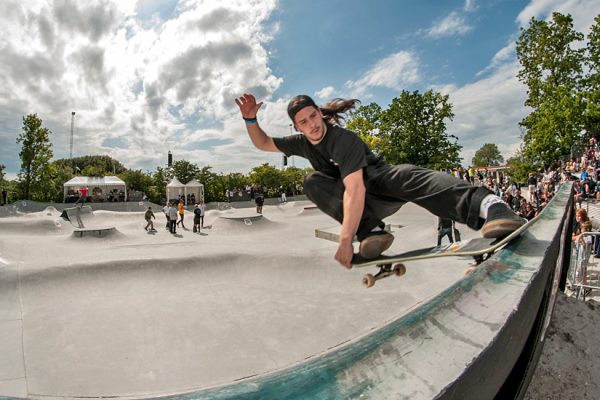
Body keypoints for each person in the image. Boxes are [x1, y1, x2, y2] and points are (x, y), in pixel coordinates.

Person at [234, 93, 525, 268]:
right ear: (296, 126)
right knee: (312, 181)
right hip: (364, 210)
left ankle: (490, 205)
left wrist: (346, 241)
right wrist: (250, 120)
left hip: (379, 187)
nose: (312, 125)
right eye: (304, 122)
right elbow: (263, 143)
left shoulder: (342, 139)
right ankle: (371, 231)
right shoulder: (301, 143)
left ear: (321, 114)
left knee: (407, 174)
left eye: (314, 116)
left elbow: (355, 188)